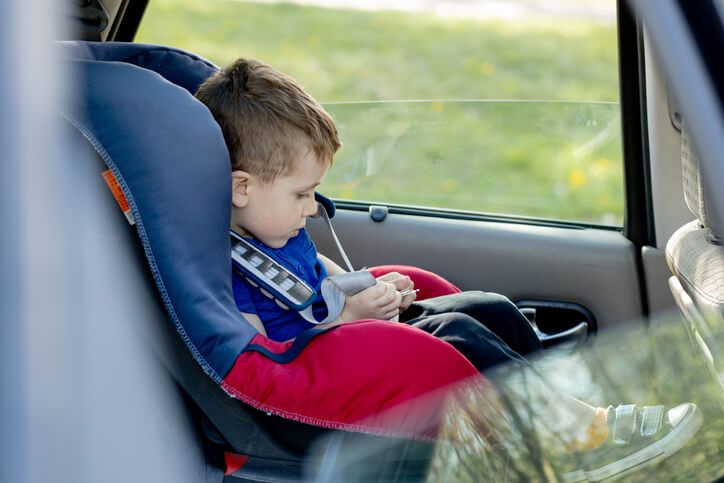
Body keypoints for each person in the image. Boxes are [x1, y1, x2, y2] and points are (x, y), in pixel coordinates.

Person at [194, 57, 702, 480]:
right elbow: (263, 357)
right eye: (302, 194)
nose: (311, 207)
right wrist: (348, 317)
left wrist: (369, 288)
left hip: (345, 339)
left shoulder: (277, 228)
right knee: (455, 333)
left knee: (489, 309)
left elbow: (317, 275)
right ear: (241, 188)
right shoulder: (232, 266)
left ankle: (565, 417)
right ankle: (575, 443)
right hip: (312, 380)